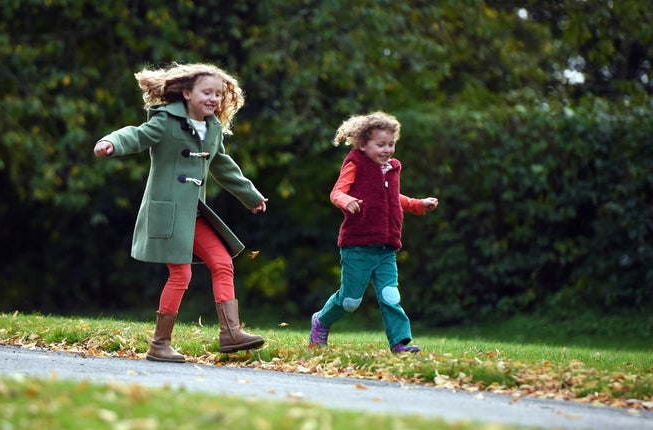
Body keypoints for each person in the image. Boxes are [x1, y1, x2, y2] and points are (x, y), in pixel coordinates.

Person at [94, 63, 268, 363]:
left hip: (195, 214)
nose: (213, 99)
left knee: (223, 262)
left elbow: (223, 166)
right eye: (207, 92)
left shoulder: (212, 129)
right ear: (187, 93)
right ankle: (159, 344)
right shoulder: (165, 122)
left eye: (218, 94)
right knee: (181, 274)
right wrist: (110, 142)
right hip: (169, 212)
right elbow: (136, 135)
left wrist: (250, 195)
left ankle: (230, 333)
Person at [309, 111, 438, 354]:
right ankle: (321, 321)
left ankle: (399, 344)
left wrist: (418, 204)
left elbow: (392, 199)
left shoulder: (392, 169)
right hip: (357, 245)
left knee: (391, 296)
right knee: (350, 301)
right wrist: (346, 201)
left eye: (391, 144)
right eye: (380, 145)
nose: (387, 150)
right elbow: (337, 192)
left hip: (386, 248)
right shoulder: (355, 163)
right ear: (363, 144)